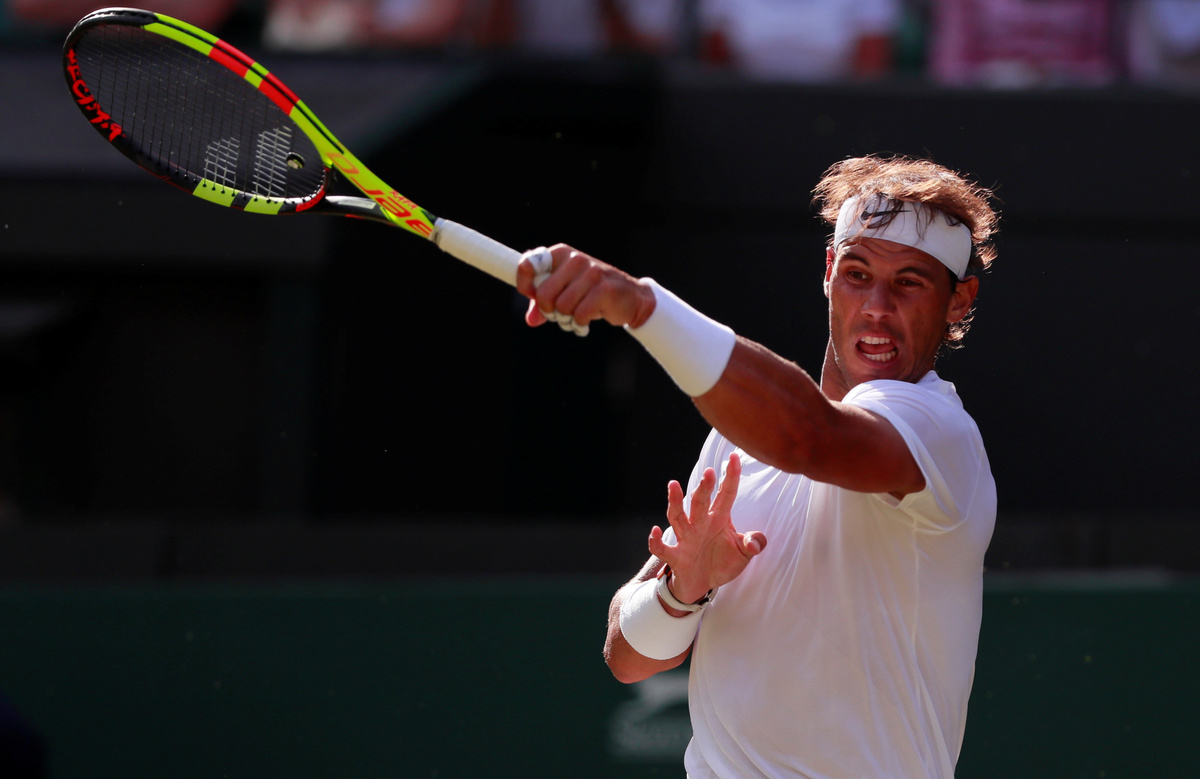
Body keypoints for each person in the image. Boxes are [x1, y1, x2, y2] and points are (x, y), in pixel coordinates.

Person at [514, 154, 999, 778]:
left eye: (909, 283)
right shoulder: (738, 439)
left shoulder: (938, 431)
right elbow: (629, 660)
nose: (877, 306)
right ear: (828, 272)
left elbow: (808, 437)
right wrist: (681, 592)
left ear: (959, 300)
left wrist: (640, 306)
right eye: (857, 274)